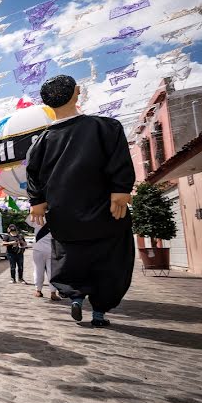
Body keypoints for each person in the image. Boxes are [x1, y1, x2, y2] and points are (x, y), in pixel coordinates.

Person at [27, 75, 136, 327]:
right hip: (105, 213)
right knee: (111, 262)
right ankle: (99, 312)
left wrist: (38, 201)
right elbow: (119, 160)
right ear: (77, 92)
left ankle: (75, 298)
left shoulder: (41, 142)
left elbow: (33, 175)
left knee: (71, 258)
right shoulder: (106, 127)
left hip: (65, 218)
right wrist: (120, 189)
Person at [28, 215, 61, 300]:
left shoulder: (37, 216)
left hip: (39, 249)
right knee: (52, 272)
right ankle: (53, 292)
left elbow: (30, 219)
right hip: (51, 249)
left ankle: (38, 290)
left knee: (38, 271)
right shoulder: (56, 218)